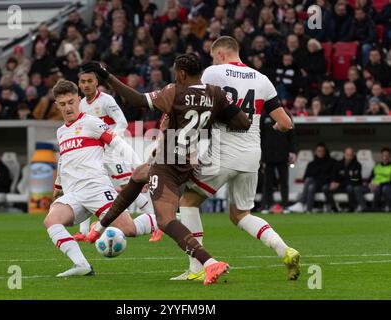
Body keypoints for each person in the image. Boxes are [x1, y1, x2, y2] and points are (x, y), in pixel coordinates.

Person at [84, 53, 252, 285]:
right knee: (140, 174)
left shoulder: (175, 91)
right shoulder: (215, 93)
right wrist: (213, 119)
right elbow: (243, 123)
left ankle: (210, 263)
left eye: (175, 72)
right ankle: (99, 226)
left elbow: (136, 100)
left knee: (165, 220)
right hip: (189, 160)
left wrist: (106, 76)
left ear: (181, 73)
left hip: (168, 163)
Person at [170, 36, 299, 282]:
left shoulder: (213, 73)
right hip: (251, 155)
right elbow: (285, 123)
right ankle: (286, 250)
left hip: (223, 152)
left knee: (188, 202)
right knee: (241, 214)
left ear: (219, 54)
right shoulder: (262, 79)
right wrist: (275, 129)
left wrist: (187, 147)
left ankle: (197, 268)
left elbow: (193, 107)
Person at [44, 80, 160, 277]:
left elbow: (119, 145)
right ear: (57, 106)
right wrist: (58, 184)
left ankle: (164, 219)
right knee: (51, 220)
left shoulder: (92, 122)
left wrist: (142, 168)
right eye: (62, 104)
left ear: (79, 99)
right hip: (74, 194)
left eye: (71, 102)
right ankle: (82, 265)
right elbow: (64, 158)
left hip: (97, 189)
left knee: (129, 229)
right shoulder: (61, 131)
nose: (68, 107)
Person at [74, 65, 159, 242]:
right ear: (79, 85)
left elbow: (122, 123)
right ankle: (83, 232)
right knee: (90, 186)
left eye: (90, 81)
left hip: (113, 152)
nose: (87, 85)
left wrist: (110, 141)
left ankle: (157, 223)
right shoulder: (80, 105)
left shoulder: (106, 101)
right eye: (83, 82)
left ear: (97, 82)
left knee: (130, 188)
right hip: (95, 155)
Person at [260, 109, 297, 213]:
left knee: (284, 182)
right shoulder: (264, 115)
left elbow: (292, 134)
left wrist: (293, 152)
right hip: (268, 155)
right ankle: (268, 205)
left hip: (283, 154)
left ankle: (285, 206)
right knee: (268, 183)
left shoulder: (286, 113)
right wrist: (260, 152)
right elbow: (260, 135)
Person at [289, 143, 335, 213]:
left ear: (325, 152)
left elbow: (332, 176)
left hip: (325, 185)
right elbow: (305, 177)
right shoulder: (311, 164)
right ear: (315, 152)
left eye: (322, 151)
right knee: (311, 186)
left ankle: (301, 203)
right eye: (319, 151)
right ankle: (308, 210)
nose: (320, 153)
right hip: (314, 185)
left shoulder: (331, 162)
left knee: (310, 181)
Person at [322, 147, 364, 212]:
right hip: (338, 187)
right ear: (344, 154)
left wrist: (340, 184)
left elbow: (356, 180)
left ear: (353, 155)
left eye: (351, 155)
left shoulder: (357, 165)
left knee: (350, 187)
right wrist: (332, 182)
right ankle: (334, 208)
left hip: (348, 187)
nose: (349, 157)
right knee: (325, 187)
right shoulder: (338, 164)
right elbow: (333, 175)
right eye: (347, 155)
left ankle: (352, 208)